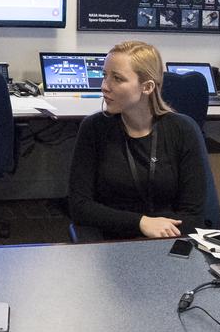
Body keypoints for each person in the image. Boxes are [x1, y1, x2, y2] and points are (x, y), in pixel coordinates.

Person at [68, 41, 207, 240]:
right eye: (104, 75)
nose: (104, 86)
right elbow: (79, 206)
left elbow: (193, 214)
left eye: (117, 78)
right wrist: (141, 223)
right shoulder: (94, 128)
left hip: (167, 239)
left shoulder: (182, 130)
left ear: (147, 86)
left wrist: (160, 230)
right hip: (109, 241)